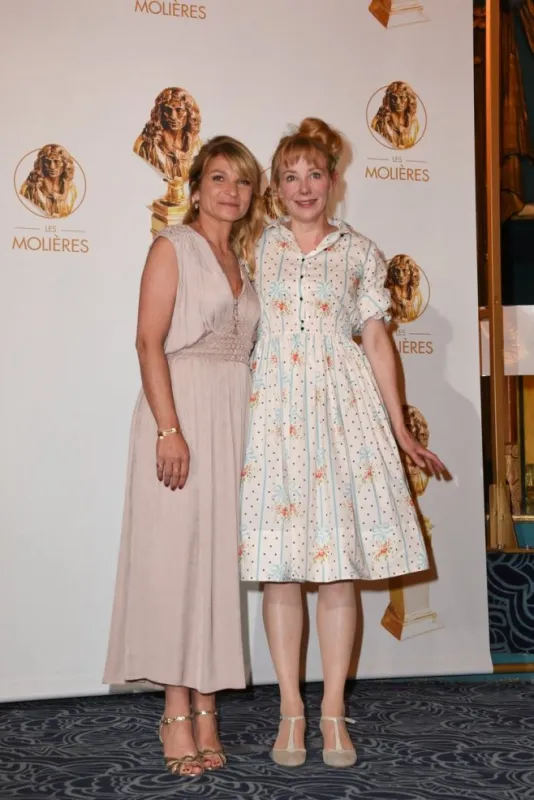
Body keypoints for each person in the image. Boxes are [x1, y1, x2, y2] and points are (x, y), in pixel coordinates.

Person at [239, 118, 445, 769]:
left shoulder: (359, 251)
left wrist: (399, 426)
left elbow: (378, 340)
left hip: (338, 409)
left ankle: (331, 713)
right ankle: (289, 713)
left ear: (333, 180)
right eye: (291, 176)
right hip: (273, 413)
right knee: (281, 568)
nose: (304, 187)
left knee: (334, 568)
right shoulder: (256, 247)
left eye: (315, 174)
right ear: (275, 186)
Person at [104, 135, 263, 777]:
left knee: (217, 568)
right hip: (181, 413)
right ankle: (175, 707)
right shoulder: (171, 247)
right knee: (176, 562)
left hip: (235, 419)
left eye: (243, 181)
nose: (230, 190)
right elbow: (147, 342)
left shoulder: (249, 260)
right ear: (195, 187)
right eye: (219, 178)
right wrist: (170, 429)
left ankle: (207, 704)